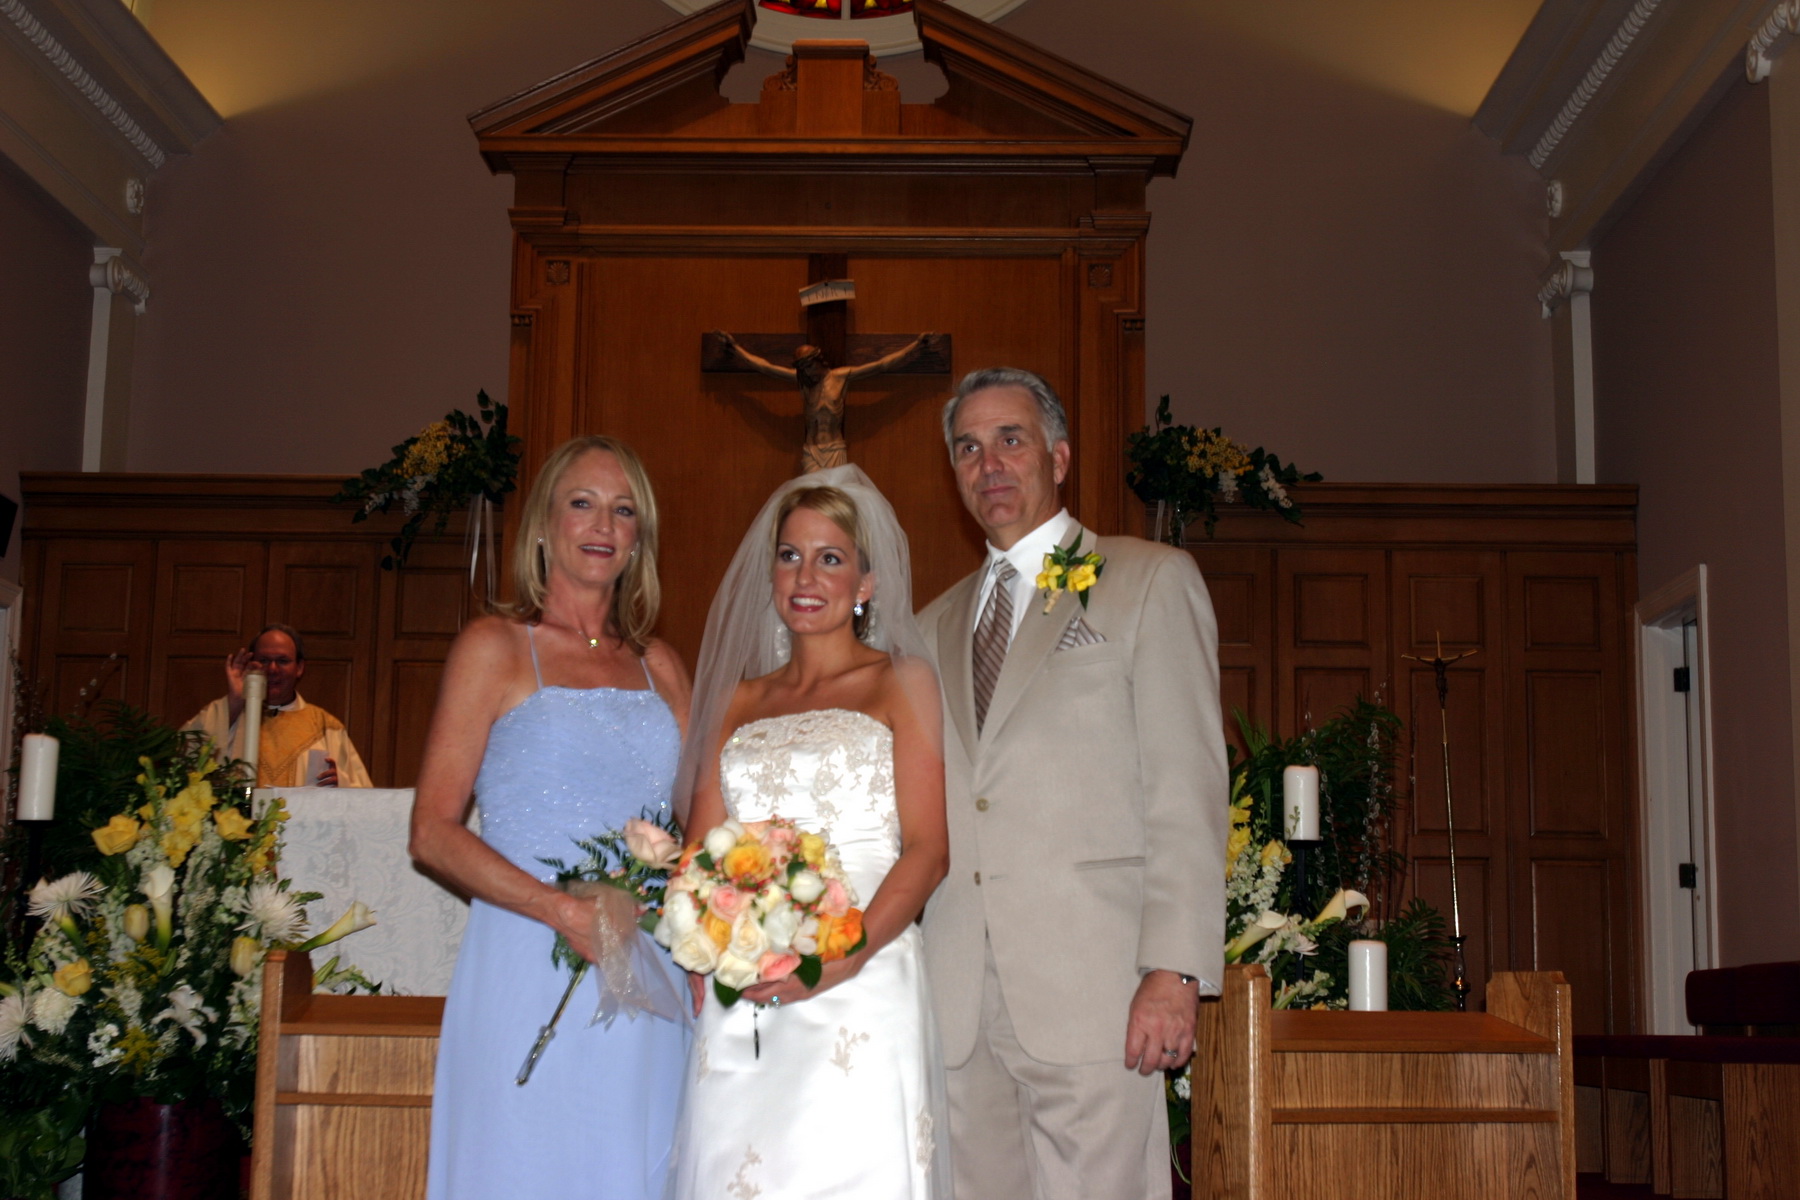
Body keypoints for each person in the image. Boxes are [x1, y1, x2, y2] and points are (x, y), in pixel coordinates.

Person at [919, 367, 1229, 1200]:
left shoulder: (1145, 580)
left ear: (1058, 457)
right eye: (967, 448)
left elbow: (1187, 790)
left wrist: (1174, 969)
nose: (989, 464)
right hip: (956, 999)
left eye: (1010, 440)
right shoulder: (929, 625)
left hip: (1098, 990)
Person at [409, 436, 692, 1200]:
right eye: (583, 503)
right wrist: (558, 910)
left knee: (631, 1164)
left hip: (648, 964)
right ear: (542, 524)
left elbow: (700, 826)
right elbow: (431, 832)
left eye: (623, 510)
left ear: (639, 538)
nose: (603, 525)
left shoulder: (662, 665)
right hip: (529, 952)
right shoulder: (494, 648)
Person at [667, 466, 952, 1199]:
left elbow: (928, 851)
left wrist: (843, 959)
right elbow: (699, 852)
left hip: (863, 974)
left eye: (830, 558)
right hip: (745, 980)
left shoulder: (901, 681)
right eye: (790, 555)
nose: (805, 576)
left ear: (866, 584)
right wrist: (705, 947)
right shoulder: (735, 701)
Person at [184, 623, 371, 787]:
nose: (272, 669)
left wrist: (341, 783)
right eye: (264, 660)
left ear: (299, 668)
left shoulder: (326, 727)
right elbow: (183, 757)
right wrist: (235, 701)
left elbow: (362, 793)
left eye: (282, 661)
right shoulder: (229, 713)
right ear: (250, 665)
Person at [715, 331, 932, 471]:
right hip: (811, 451)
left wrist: (915, 346)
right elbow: (766, 367)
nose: (807, 372)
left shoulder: (840, 377)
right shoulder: (803, 382)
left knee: (835, 505)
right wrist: (735, 348)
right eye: (802, 368)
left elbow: (881, 365)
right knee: (812, 503)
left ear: (819, 361)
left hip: (835, 449)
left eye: (809, 366)